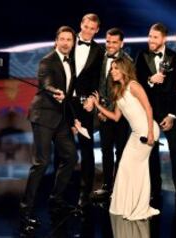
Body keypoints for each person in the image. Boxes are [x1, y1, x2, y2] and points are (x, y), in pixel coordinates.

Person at [19, 26, 80, 233]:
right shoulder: (47, 61)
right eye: (62, 39)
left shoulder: (72, 62)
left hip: (61, 118)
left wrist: (74, 120)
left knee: (71, 157)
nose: (65, 43)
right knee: (41, 163)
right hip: (44, 116)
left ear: (73, 43)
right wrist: (56, 92)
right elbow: (46, 83)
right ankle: (25, 213)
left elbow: (71, 94)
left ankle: (56, 199)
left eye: (69, 40)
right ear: (56, 41)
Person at [90, 57, 160, 220]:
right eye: (111, 69)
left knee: (136, 168)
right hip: (136, 133)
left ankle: (138, 206)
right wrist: (98, 105)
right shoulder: (118, 91)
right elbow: (115, 117)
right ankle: (128, 205)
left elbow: (148, 108)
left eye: (116, 68)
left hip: (147, 130)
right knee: (126, 167)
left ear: (124, 69)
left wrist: (150, 133)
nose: (112, 71)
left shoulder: (133, 85)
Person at [135, 23, 176, 212]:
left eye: (155, 37)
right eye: (149, 36)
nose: (151, 40)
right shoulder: (141, 57)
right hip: (148, 113)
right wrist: (150, 80)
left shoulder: (175, 59)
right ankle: (153, 192)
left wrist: (172, 115)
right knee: (151, 154)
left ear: (163, 39)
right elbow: (135, 83)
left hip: (169, 114)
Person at [91, 28, 131, 201]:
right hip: (103, 113)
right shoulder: (100, 58)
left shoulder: (127, 61)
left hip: (121, 114)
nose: (110, 45)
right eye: (108, 41)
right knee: (105, 150)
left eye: (114, 42)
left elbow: (124, 89)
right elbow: (98, 84)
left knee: (121, 151)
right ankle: (107, 185)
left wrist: (108, 109)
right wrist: (99, 108)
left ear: (121, 43)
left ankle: (120, 187)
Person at [70, 13, 105, 209]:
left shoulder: (99, 51)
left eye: (92, 28)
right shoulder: (67, 41)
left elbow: (99, 79)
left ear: (97, 30)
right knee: (63, 146)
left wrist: (93, 99)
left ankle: (85, 192)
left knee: (87, 148)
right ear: (81, 24)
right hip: (65, 103)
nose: (88, 31)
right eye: (86, 27)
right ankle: (62, 191)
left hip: (85, 105)